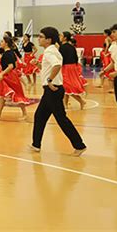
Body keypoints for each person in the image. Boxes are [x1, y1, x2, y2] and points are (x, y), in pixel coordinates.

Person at [30, 27, 87, 156]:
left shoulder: (50, 52)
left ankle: (79, 145)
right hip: (51, 90)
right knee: (39, 116)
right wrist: (38, 65)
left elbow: (56, 65)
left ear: (48, 39)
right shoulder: (52, 50)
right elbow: (49, 67)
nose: (38, 38)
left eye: (41, 36)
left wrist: (49, 80)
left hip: (53, 90)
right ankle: (36, 144)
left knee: (62, 119)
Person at [0, 37, 29, 119]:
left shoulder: (8, 53)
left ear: (6, 43)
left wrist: (2, 73)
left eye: (2, 41)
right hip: (8, 75)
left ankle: (25, 113)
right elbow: (15, 65)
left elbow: (11, 66)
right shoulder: (9, 53)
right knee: (3, 95)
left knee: (17, 94)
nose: (1, 43)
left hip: (10, 76)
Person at [59, 32, 87, 109]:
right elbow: (76, 58)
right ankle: (65, 104)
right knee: (66, 87)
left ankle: (81, 101)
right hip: (73, 67)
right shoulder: (72, 47)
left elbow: (61, 59)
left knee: (67, 86)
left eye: (61, 35)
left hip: (66, 68)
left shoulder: (62, 47)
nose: (59, 37)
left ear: (64, 38)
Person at [102, 23, 117, 106]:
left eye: (114, 32)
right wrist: (105, 70)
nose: (112, 34)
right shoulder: (114, 46)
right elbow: (113, 62)